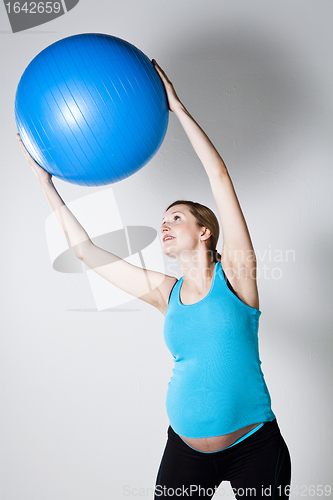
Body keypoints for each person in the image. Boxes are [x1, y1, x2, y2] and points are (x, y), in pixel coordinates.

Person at [18, 60, 291, 500]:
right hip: (183, 452)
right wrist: (45, 183)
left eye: (176, 218)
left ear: (205, 231)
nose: (164, 226)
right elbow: (88, 252)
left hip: (253, 449)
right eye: (162, 221)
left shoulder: (237, 277)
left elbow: (220, 179)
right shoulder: (166, 293)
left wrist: (177, 108)